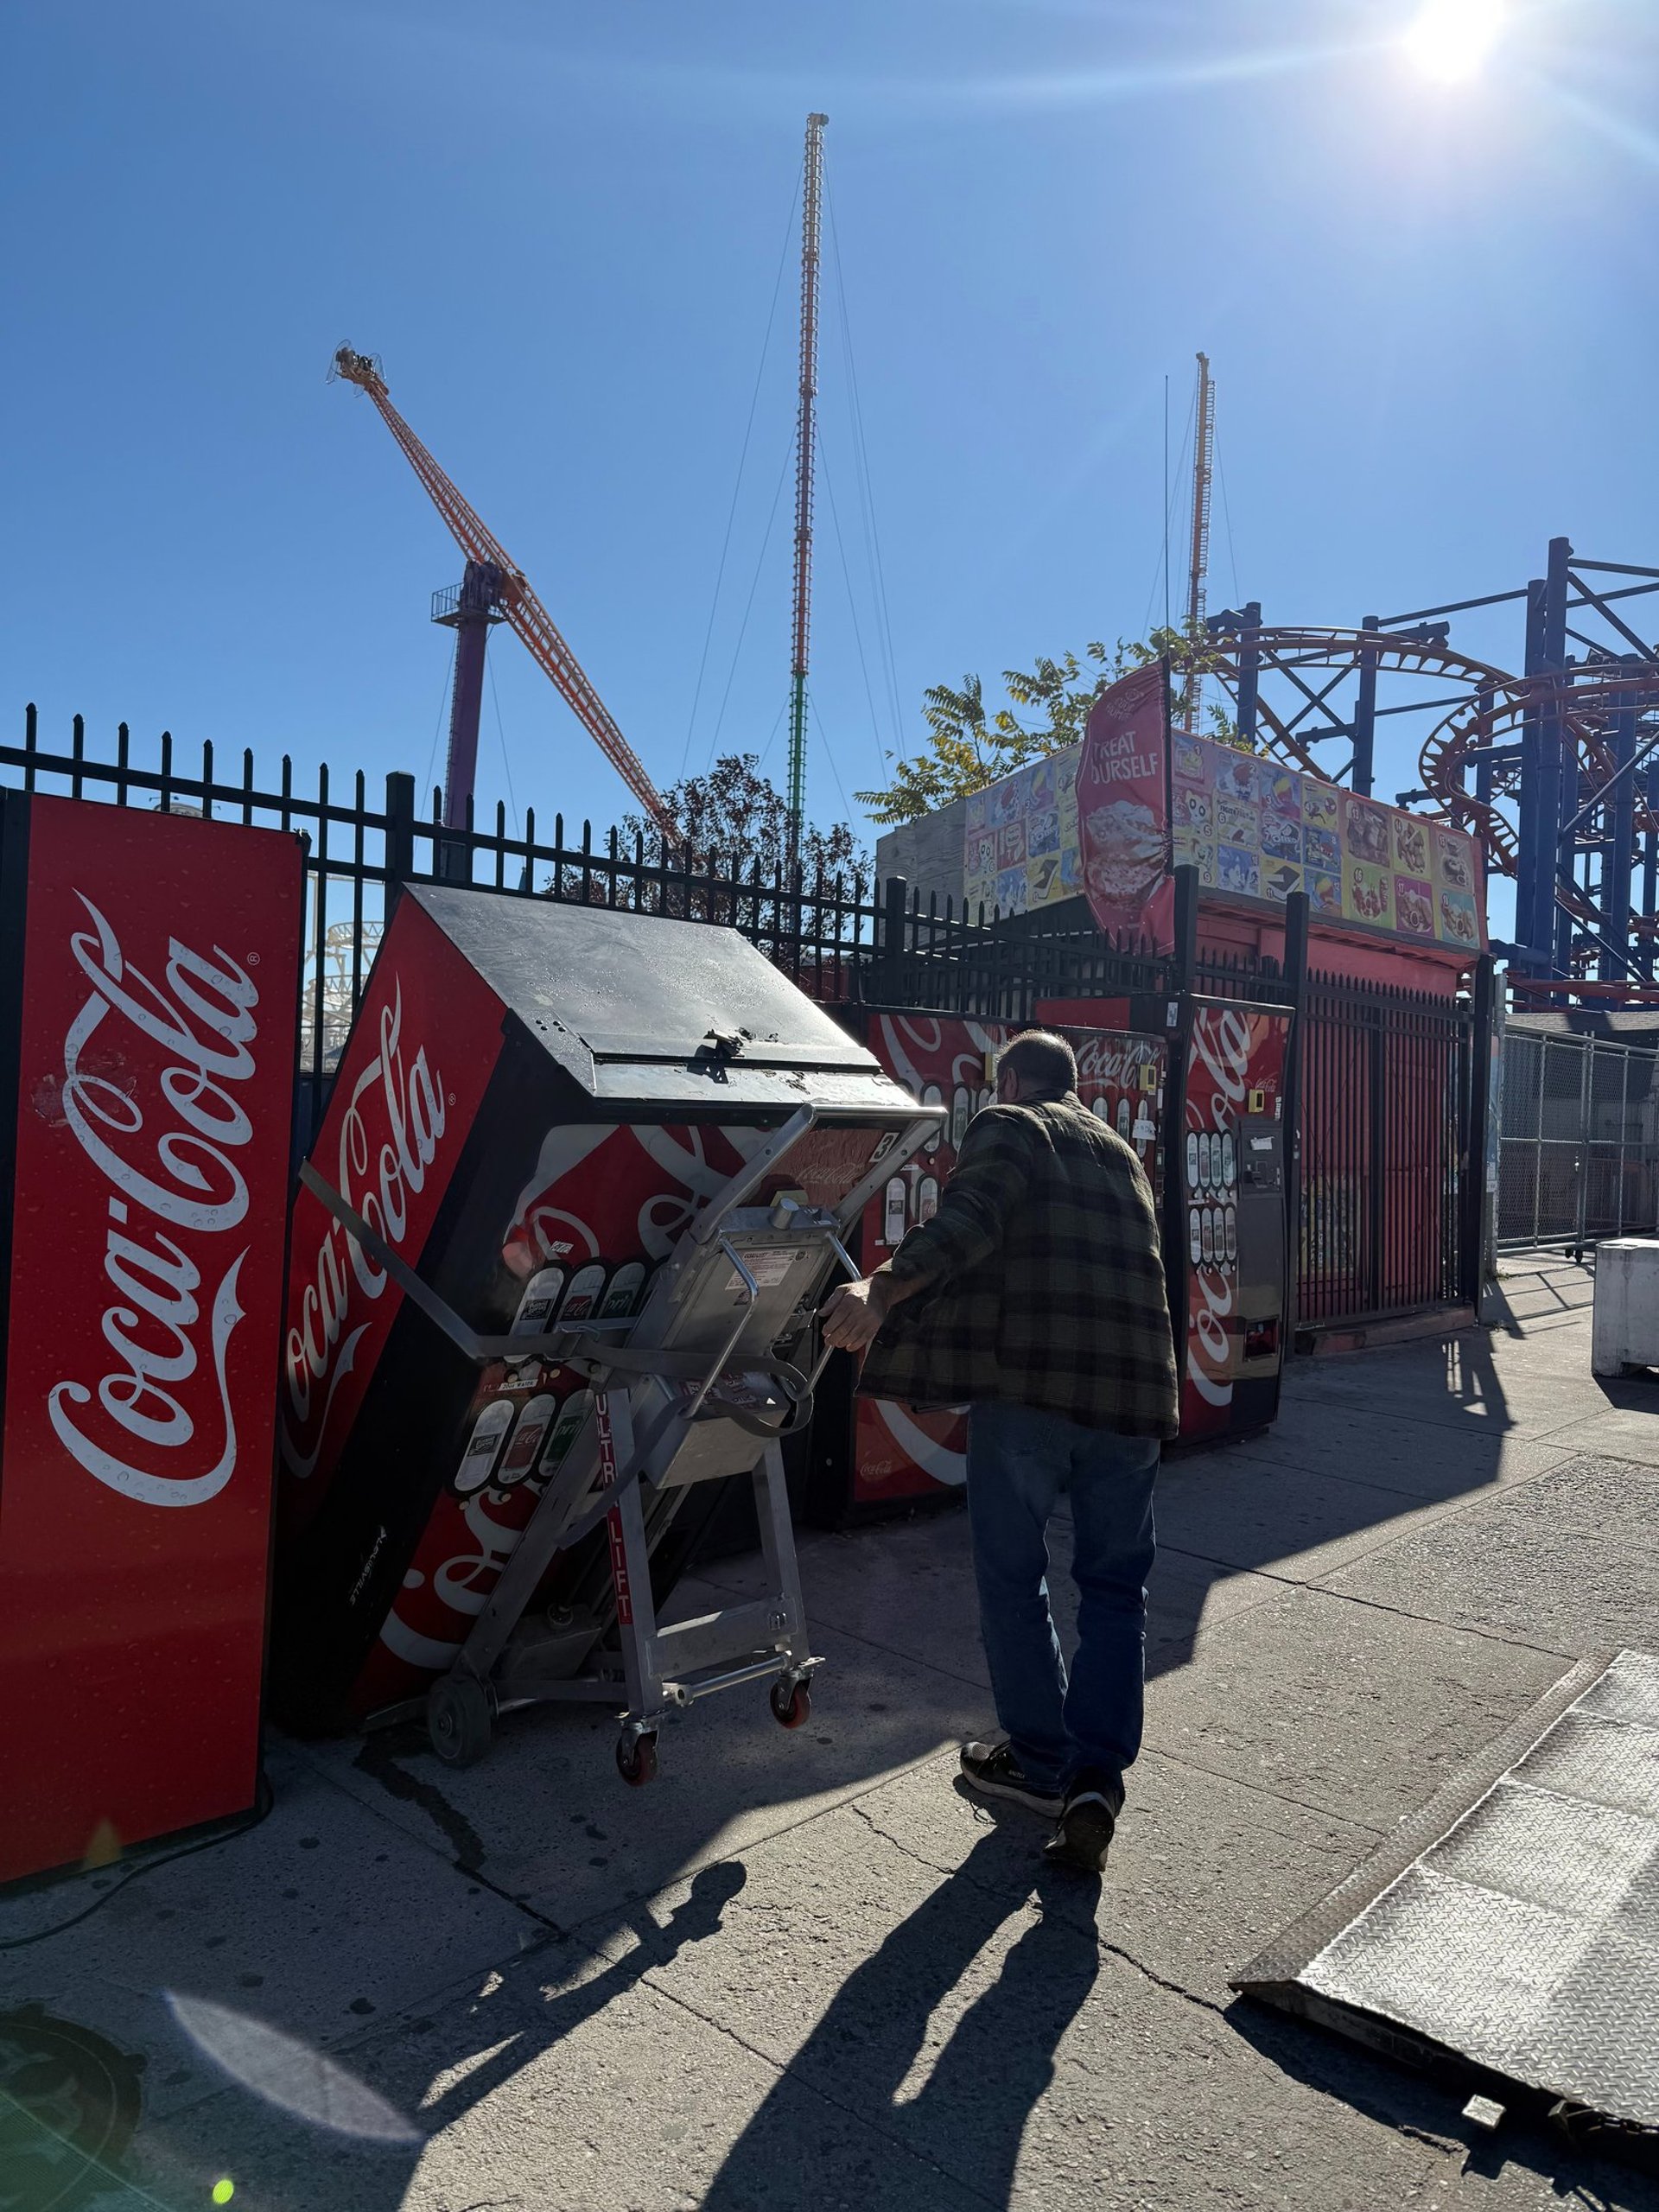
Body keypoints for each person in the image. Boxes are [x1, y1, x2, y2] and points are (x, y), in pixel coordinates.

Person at [821, 1029, 1178, 1871]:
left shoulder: (1013, 1124)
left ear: (1011, 1080)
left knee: (1013, 1580)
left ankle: (1040, 1759)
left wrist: (880, 1289)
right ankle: (1095, 1777)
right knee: (1116, 1590)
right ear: (1076, 1084)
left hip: (1035, 1392)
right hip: (1133, 1402)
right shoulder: (1119, 1150)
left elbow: (968, 1223)